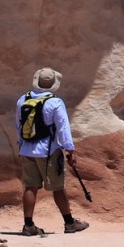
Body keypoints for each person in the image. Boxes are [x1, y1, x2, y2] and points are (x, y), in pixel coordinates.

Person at [15, 67, 89, 235]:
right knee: (57, 187)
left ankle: (28, 226)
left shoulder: (22, 100)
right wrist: (70, 149)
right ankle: (70, 224)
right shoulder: (55, 102)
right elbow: (63, 128)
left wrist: (21, 145)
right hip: (48, 151)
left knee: (30, 187)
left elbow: (18, 126)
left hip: (27, 149)